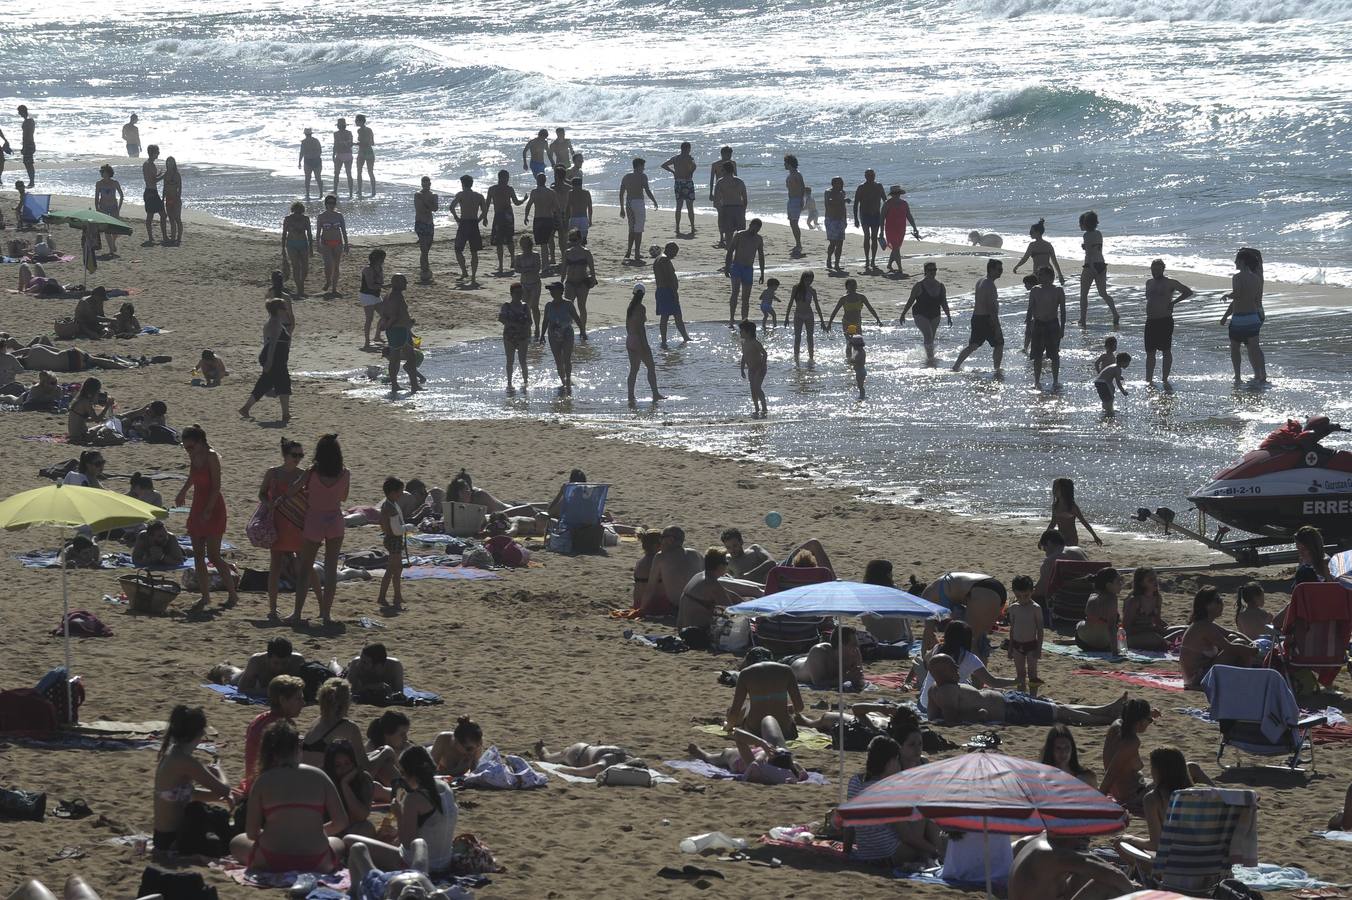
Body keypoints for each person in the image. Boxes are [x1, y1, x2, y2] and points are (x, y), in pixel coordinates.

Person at [231, 721, 347, 873]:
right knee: (338, 842)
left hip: (271, 859)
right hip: (317, 860)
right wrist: (311, 832)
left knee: (236, 842)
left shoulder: (263, 781)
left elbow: (252, 833)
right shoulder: (319, 775)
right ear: (296, 747)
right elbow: (341, 822)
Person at [344, 746, 456, 873]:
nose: (402, 778)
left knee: (349, 840)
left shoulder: (414, 799)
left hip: (421, 865)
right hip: (445, 863)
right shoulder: (446, 788)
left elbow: (408, 843)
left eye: (403, 773)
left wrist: (399, 814)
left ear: (413, 774)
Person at [927, 654, 1127, 726]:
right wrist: (976, 715)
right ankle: (1106, 719)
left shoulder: (938, 690)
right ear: (942, 672)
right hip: (1011, 709)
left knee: (1056, 707)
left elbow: (934, 719)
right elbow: (951, 720)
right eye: (953, 667)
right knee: (1060, 713)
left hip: (1010, 701)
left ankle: (1105, 709)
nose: (957, 669)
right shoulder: (946, 692)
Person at [846, 735, 942, 864]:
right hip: (891, 855)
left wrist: (846, 851)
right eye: (897, 760)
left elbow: (849, 824)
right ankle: (937, 854)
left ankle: (932, 852)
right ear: (890, 762)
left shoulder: (855, 782)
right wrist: (934, 850)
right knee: (923, 810)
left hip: (866, 854)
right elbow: (907, 836)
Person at [174, 425, 239, 611]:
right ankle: (205, 597)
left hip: (213, 505)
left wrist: (209, 510)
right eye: (185, 447)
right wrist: (182, 492)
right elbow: (192, 476)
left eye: (190, 447)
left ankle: (233, 595)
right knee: (198, 555)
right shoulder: (194, 454)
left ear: (200, 442)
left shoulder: (211, 456)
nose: (188, 450)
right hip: (198, 503)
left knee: (214, 555)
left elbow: (216, 486)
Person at [289, 434, 350, 627]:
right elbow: (344, 498)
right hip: (335, 520)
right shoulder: (345, 473)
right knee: (331, 569)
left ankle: (297, 613)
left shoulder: (312, 472)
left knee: (306, 568)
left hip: (314, 519)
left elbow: (292, 490)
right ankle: (325, 613)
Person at [152, 705, 230, 855]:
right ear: (200, 733)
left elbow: (190, 794)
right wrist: (218, 769)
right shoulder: (185, 761)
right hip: (174, 838)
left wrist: (223, 797)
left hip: (162, 837)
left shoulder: (171, 754)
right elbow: (224, 789)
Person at [916, 620, 1012, 714]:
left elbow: (926, 661)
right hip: (951, 706)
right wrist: (1016, 680)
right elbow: (992, 681)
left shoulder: (937, 648)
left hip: (925, 705)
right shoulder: (969, 658)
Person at [1008, 832, 1136, 900]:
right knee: (1107, 885)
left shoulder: (1041, 840)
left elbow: (1099, 866)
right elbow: (1112, 874)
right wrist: (1138, 892)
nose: (1087, 840)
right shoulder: (1052, 853)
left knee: (1088, 874)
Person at [1180, 586, 1261, 689]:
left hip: (1202, 673)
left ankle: (1246, 677)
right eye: (1217, 601)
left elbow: (1230, 633)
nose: (1222, 603)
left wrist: (1253, 643)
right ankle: (1248, 679)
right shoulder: (1203, 626)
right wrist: (1254, 650)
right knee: (1236, 647)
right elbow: (1229, 648)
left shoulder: (1206, 623)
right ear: (1207, 606)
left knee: (1234, 638)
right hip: (1196, 679)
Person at [239, 282, 295, 423]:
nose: (286, 309)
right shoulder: (275, 322)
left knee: (266, 383)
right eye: (284, 307)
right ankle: (285, 414)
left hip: (276, 358)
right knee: (283, 384)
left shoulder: (274, 321)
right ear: (279, 310)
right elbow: (273, 343)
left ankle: (246, 408)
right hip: (275, 357)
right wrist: (269, 361)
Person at [240, 675, 306, 793]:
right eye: (298, 699)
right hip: (269, 789)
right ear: (282, 700)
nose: (303, 703)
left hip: (252, 783)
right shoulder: (283, 727)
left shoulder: (259, 720)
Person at [687, 728, 809, 785]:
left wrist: (763, 743)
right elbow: (799, 770)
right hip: (755, 754)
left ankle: (703, 754)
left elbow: (737, 734)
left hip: (739, 760)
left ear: (771, 757)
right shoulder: (786, 768)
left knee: (722, 754)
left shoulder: (759, 762)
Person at [1219, 247, 1267, 385]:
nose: (1234, 262)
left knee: (1238, 346)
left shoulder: (1239, 277)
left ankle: (1240, 375)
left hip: (1243, 314)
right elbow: (1258, 258)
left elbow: (1237, 297)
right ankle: (1261, 373)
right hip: (1257, 312)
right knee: (1254, 346)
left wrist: (1227, 298)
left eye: (1237, 260)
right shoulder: (1258, 277)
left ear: (1243, 261)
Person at [1143, 259, 1193, 387]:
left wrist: (1173, 303)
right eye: (1153, 269)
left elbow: (1188, 291)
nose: (1155, 272)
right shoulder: (1149, 283)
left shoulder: (1170, 283)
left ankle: (1164, 378)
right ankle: (1149, 379)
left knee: (1166, 350)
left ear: (1163, 270)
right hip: (1150, 321)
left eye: (1158, 269)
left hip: (1164, 320)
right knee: (1150, 352)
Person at [952, 259, 1005, 373]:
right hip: (986, 319)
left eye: (1001, 269)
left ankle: (956, 366)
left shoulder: (981, 280)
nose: (1001, 272)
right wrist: (996, 325)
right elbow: (990, 306)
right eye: (999, 269)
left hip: (977, 317)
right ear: (991, 269)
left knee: (973, 345)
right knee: (999, 343)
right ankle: (997, 370)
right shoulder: (989, 284)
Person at [641, 525, 702, 617]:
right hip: (703, 605)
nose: (660, 542)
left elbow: (650, 588)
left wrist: (641, 610)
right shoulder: (696, 554)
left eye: (661, 538)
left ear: (670, 540)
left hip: (680, 608)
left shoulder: (661, 557)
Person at [677, 547, 734, 643]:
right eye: (726, 563)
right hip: (696, 634)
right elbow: (732, 611)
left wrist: (742, 599)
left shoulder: (699, 576)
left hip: (682, 630)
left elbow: (727, 593)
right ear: (720, 566)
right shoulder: (713, 584)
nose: (727, 566)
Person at [323, 740, 375, 837]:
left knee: (367, 828)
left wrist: (344, 785)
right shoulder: (323, 779)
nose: (344, 769)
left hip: (351, 829)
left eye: (347, 763)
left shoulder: (363, 779)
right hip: (327, 830)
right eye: (338, 765)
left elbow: (361, 816)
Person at [378, 274, 420, 394]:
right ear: (397, 283)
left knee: (398, 358)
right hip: (398, 330)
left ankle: (400, 385)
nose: (406, 283)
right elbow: (393, 315)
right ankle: (411, 386)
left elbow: (384, 313)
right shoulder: (396, 296)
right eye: (404, 281)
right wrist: (387, 325)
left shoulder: (389, 295)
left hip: (399, 330)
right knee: (405, 358)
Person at [1026, 266, 1066, 389]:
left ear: (1050, 276)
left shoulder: (1058, 290)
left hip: (1053, 324)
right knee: (1037, 355)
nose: (1039, 277)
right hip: (1038, 323)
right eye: (1039, 275)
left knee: (1054, 355)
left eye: (1042, 275)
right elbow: (1030, 309)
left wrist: (1062, 328)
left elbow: (1063, 311)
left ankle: (1055, 380)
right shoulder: (1035, 290)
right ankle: (1037, 381)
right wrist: (1028, 327)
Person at [624, 284, 664, 406]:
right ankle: (655, 393)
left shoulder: (630, 307)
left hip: (630, 339)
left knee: (634, 370)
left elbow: (627, 326)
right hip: (638, 340)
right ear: (644, 294)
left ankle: (630, 396)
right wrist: (645, 345)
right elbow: (641, 328)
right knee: (651, 367)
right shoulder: (641, 308)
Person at [790, 625, 864, 689]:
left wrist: (856, 679)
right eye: (853, 644)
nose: (856, 647)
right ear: (841, 645)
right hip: (793, 663)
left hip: (808, 658)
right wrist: (846, 678)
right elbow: (818, 682)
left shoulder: (855, 652)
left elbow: (859, 679)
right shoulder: (819, 652)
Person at [1076, 211, 1117, 326]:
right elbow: (1096, 248)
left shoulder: (1086, 235)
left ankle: (1082, 319)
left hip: (1090, 266)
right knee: (1103, 293)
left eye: (1080, 223)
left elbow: (1089, 254)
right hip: (1101, 264)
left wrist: (1092, 268)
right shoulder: (1099, 233)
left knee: (1084, 294)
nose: (1079, 225)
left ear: (1085, 224)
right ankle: (1115, 313)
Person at [1123, 566, 1177, 651]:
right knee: (1155, 638)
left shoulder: (1157, 598)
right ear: (1141, 583)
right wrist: (1148, 629)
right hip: (1132, 636)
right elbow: (1126, 628)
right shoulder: (1135, 601)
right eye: (1150, 580)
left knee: (1184, 630)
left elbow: (1157, 620)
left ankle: (1166, 641)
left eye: (1155, 579)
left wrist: (1165, 626)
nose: (1155, 582)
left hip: (1151, 632)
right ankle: (1166, 642)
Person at [543, 281, 583, 394]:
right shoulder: (548, 305)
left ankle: (568, 380)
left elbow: (576, 317)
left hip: (567, 334)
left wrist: (582, 331)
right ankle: (563, 381)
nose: (551, 292)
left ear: (561, 291)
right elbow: (545, 321)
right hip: (552, 335)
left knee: (566, 359)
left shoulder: (568, 304)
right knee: (558, 360)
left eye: (553, 290)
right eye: (550, 290)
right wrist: (541, 335)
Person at [725, 219, 765, 325]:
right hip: (737, 267)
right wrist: (727, 267)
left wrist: (762, 273)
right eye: (754, 228)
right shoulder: (739, 235)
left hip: (748, 269)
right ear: (750, 225)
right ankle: (732, 318)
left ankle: (744, 319)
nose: (755, 230)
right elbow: (730, 251)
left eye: (758, 229)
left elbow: (761, 256)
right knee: (735, 292)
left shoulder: (758, 239)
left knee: (746, 297)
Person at [1007, 575, 1043, 692]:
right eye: (1018, 596)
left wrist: (1039, 649)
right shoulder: (1013, 608)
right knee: (1020, 674)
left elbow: (1040, 630)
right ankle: (1021, 698)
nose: (1022, 599)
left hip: (1031, 646)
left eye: (1026, 596)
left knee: (1032, 674)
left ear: (1032, 592)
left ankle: (1033, 698)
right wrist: (1010, 647)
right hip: (1017, 646)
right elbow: (1012, 628)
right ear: (1014, 593)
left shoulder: (1035, 608)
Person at [450, 175, 488, 285]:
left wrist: (457, 218)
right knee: (474, 252)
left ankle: (464, 271)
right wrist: (479, 220)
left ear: (463, 184)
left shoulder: (461, 194)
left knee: (458, 249)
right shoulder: (478, 196)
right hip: (473, 223)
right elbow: (484, 211)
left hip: (464, 222)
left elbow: (452, 207)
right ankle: (473, 276)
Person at [378, 478, 409, 610]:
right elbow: (396, 529)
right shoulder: (390, 508)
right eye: (399, 492)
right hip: (394, 540)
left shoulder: (389, 504)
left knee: (397, 569)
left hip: (393, 539)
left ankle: (397, 595)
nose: (401, 494)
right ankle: (382, 596)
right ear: (392, 492)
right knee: (392, 569)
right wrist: (408, 528)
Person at [619, 158, 658, 261]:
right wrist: (654, 201)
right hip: (638, 203)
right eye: (643, 166)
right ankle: (636, 253)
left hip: (629, 203)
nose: (644, 168)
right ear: (639, 166)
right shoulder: (642, 176)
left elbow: (621, 192)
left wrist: (622, 208)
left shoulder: (626, 177)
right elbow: (647, 190)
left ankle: (628, 251)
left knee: (631, 229)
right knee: (638, 229)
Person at [536, 739, 643, 776]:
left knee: (555, 756)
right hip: (576, 754)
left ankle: (543, 749)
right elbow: (581, 771)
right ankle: (541, 750)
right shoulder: (608, 760)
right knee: (547, 758)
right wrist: (563, 769)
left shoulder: (626, 755)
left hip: (585, 749)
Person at [238, 637, 305, 696]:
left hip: (262, 686)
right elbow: (241, 689)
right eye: (276, 663)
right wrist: (273, 692)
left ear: (290, 658)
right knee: (232, 674)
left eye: (284, 663)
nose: (280, 668)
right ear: (267, 657)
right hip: (255, 679)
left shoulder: (298, 661)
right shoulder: (256, 661)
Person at [1076, 567, 1122, 653]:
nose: (1121, 584)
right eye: (1118, 581)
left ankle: (1071, 641)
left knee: (1082, 623)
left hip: (1082, 642)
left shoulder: (1092, 596)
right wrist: (1115, 652)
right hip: (1103, 645)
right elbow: (1111, 627)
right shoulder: (1112, 599)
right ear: (1108, 585)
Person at [1034, 529, 1088, 602]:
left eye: (1044, 548)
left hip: (1065, 601)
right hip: (1087, 597)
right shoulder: (1079, 550)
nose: (1046, 553)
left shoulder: (1051, 560)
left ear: (1049, 543)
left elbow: (1041, 591)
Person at [66, 378, 124, 445]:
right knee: (108, 429)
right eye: (98, 391)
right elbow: (97, 420)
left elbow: (82, 419)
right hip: (80, 436)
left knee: (102, 426)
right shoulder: (86, 402)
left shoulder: (80, 400)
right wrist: (107, 406)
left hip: (75, 435)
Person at [486, 169, 523, 274]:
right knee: (502, 241)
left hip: (504, 215)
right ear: (501, 178)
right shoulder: (505, 189)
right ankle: (503, 264)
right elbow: (487, 203)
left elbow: (515, 202)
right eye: (506, 178)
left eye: (507, 178)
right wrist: (484, 216)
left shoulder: (495, 189)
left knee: (505, 240)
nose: (507, 180)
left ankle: (508, 262)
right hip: (505, 215)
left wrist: (523, 200)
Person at [522, 172, 560, 272]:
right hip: (549, 219)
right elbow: (557, 208)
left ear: (537, 181)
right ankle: (546, 263)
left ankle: (545, 265)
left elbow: (529, 205)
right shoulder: (551, 192)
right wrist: (559, 219)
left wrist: (526, 216)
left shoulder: (534, 192)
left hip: (539, 219)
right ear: (545, 181)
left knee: (543, 243)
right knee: (546, 242)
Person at [785, 270, 825, 364]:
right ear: (803, 279)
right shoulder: (796, 288)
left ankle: (811, 358)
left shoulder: (812, 290)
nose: (808, 282)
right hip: (798, 315)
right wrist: (786, 317)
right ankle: (796, 359)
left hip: (809, 315)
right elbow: (791, 302)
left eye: (811, 280)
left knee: (810, 337)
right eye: (807, 280)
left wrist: (822, 321)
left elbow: (817, 306)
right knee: (797, 337)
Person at [880, 185, 922, 274]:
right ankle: (900, 268)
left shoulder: (904, 203)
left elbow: (909, 216)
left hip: (901, 229)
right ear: (892, 194)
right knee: (895, 248)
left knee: (896, 248)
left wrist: (915, 228)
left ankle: (889, 264)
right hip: (890, 229)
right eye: (895, 193)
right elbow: (882, 218)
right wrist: (881, 231)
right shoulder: (887, 203)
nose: (896, 195)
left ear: (899, 194)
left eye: (898, 193)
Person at [1050, 478, 1101, 549]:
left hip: (1071, 538)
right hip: (1060, 538)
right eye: (1054, 488)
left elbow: (1084, 522)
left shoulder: (1072, 506)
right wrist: (1044, 538)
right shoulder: (1055, 505)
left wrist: (1095, 536)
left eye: (1056, 488)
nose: (1054, 490)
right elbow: (1052, 523)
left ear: (1064, 490)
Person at [562, 228, 596, 334]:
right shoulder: (567, 253)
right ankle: (568, 328)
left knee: (581, 306)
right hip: (570, 283)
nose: (573, 242)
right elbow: (564, 269)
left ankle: (582, 330)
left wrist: (593, 279)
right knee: (568, 306)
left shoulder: (586, 252)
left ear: (580, 239)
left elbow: (592, 268)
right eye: (571, 240)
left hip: (582, 282)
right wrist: (561, 281)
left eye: (575, 240)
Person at [852, 169, 887, 272]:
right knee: (867, 236)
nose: (870, 177)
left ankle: (873, 260)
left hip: (876, 215)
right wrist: (855, 219)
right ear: (865, 176)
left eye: (872, 175)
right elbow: (856, 204)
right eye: (868, 175)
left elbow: (885, 201)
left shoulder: (879, 186)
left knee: (874, 237)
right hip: (865, 215)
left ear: (875, 176)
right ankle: (867, 259)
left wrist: (888, 214)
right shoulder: (861, 187)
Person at [499, 282, 531, 392]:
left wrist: (527, 333)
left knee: (523, 361)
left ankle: (526, 382)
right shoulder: (506, 306)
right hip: (509, 337)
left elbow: (530, 322)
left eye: (521, 293)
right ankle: (509, 383)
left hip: (523, 337)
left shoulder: (525, 306)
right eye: (517, 293)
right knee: (510, 360)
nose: (519, 295)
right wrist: (514, 324)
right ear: (511, 294)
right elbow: (501, 319)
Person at [1012, 218, 1064, 285]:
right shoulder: (1048, 245)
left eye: (1031, 232)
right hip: (1049, 272)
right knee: (1048, 292)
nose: (1030, 233)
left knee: (1039, 292)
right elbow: (1054, 262)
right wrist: (1060, 275)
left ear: (1038, 232)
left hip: (1039, 273)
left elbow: (1025, 258)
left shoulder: (1032, 245)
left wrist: (1016, 266)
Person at [366, 711, 412, 786]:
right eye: (402, 734)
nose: (406, 738)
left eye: (406, 734)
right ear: (387, 734)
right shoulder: (373, 749)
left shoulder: (403, 747)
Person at [661, 142, 698, 235]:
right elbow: (694, 166)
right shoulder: (689, 158)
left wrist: (673, 172)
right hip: (688, 182)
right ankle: (692, 227)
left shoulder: (676, 158)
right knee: (690, 207)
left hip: (678, 182)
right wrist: (690, 172)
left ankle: (677, 227)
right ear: (688, 149)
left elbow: (664, 165)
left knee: (679, 206)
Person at [316, 195, 349, 297]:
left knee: (336, 266)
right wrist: (317, 244)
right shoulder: (321, 216)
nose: (331, 205)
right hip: (326, 243)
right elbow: (318, 232)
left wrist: (346, 244)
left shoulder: (339, 216)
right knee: (328, 265)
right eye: (329, 203)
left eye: (333, 203)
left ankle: (334, 288)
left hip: (338, 242)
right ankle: (328, 281)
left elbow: (343, 231)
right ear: (325, 204)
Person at [713, 160, 749, 253]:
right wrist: (743, 211)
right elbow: (745, 199)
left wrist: (720, 212)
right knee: (741, 234)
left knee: (728, 236)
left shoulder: (720, 182)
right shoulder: (740, 181)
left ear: (724, 170)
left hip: (727, 208)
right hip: (739, 208)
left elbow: (716, 200)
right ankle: (740, 255)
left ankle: (729, 256)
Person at [281, 202, 314, 296]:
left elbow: (310, 234)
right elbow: (284, 234)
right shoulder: (288, 219)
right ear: (293, 210)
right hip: (291, 244)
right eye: (296, 211)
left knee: (305, 268)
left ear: (302, 211)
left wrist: (311, 247)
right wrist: (283, 248)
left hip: (303, 244)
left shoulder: (305, 219)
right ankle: (299, 288)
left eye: (300, 212)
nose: (298, 213)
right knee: (296, 267)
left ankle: (301, 283)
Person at [358, 249, 387, 351]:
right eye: (382, 259)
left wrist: (382, 285)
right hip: (366, 295)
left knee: (385, 315)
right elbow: (370, 285)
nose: (383, 261)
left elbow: (380, 282)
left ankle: (377, 336)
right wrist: (383, 286)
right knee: (369, 318)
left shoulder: (379, 268)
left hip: (375, 294)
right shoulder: (367, 270)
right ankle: (366, 342)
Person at [739, 320, 768, 419]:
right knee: (752, 389)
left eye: (741, 331)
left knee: (757, 387)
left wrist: (762, 366)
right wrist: (742, 369)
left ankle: (764, 408)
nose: (740, 333)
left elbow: (765, 354)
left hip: (760, 368)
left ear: (748, 332)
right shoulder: (744, 343)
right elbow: (744, 356)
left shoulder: (755, 343)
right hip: (751, 369)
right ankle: (756, 409)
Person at [93, 165, 124, 257]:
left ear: (108, 173)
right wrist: (97, 208)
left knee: (115, 230)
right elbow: (96, 197)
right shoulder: (99, 183)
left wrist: (119, 207)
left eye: (103, 171)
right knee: (107, 230)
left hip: (114, 207)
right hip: (103, 208)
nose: (102, 173)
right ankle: (111, 249)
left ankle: (113, 242)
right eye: (101, 172)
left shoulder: (115, 183)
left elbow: (121, 195)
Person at [707, 145, 735, 246]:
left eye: (730, 154)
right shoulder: (715, 164)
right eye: (728, 154)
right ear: (722, 154)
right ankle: (721, 237)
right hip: (719, 192)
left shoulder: (733, 163)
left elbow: (735, 177)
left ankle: (729, 236)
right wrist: (711, 193)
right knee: (721, 216)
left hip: (731, 193)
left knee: (730, 215)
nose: (729, 156)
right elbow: (711, 180)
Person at [413, 177, 438, 284]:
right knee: (424, 250)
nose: (426, 185)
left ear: (430, 184)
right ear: (422, 184)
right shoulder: (417, 194)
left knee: (427, 248)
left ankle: (425, 269)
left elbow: (435, 208)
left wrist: (427, 204)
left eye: (428, 183)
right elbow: (420, 209)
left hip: (429, 223)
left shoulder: (433, 195)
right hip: (420, 223)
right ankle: (425, 271)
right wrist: (428, 205)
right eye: (424, 183)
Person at [141, 145, 166, 244]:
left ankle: (152, 237)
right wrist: (164, 176)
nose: (158, 154)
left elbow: (152, 177)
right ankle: (153, 237)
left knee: (153, 216)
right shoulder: (149, 164)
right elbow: (153, 180)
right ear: (153, 153)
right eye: (157, 152)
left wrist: (159, 173)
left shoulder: (148, 163)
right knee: (161, 215)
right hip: (151, 192)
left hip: (151, 191)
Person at [783, 154, 807, 256]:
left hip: (796, 200)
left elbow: (802, 188)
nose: (784, 165)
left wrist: (802, 200)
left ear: (789, 163)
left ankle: (799, 244)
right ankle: (797, 244)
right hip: (791, 200)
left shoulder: (797, 174)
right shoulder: (790, 175)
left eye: (785, 163)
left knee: (794, 223)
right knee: (792, 223)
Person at [162, 156, 183, 245]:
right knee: (171, 219)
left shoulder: (177, 174)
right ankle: (173, 237)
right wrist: (163, 197)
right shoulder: (166, 174)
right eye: (168, 162)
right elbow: (164, 187)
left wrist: (177, 197)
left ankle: (179, 238)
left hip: (176, 199)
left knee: (177, 218)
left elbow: (180, 188)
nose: (169, 164)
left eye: (171, 162)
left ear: (174, 164)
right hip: (168, 198)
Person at [298, 127, 323, 200]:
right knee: (318, 177)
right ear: (311, 134)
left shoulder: (304, 142)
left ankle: (308, 194)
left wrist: (299, 162)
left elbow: (301, 153)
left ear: (305, 134)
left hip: (308, 161)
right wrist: (315, 156)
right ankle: (321, 193)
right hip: (316, 160)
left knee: (308, 178)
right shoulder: (316, 141)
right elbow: (320, 151)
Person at [332, 118, 354, 197]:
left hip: (340, 154)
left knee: (336, 174)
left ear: (338, 126)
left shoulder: (336, 134)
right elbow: (351, 144)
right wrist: (345, 143)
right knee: (349, 173)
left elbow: (335, 145)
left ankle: (335, 190)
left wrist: (333, 155)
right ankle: (351, 192)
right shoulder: (349, 133)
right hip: (348, 154)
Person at [354, 114, 375, 196]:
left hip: (363, 152)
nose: (355, 122)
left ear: (361, 121)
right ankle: (373, 190)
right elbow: (372, 143)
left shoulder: (361, 131)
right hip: (369, 151)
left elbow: (365, 142)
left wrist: (354, 143)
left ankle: (360, 190)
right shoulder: (368, 130)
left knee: (360, 171)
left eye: (356, 120)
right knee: (369, 171)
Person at [18, 104, 36, 187]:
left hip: (28, 144)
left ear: (23, 111)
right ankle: (31, 181)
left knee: (28, 163)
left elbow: (27, 135)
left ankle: (32, 181)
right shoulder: (30, 120)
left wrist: (25, 147)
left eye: (19, 111)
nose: (19, 113)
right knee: (28, 163)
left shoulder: (28, 121)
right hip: (30, 143)